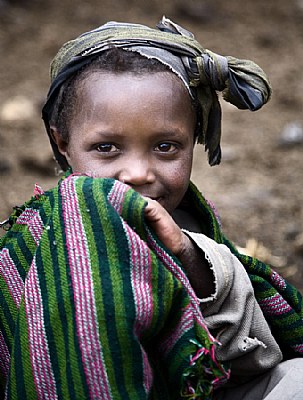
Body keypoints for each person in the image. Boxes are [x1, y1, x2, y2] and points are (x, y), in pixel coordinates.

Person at [0, 17, 303, 400]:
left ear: (193, 141)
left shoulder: (195, 230)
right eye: (107, 147)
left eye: (165, 147)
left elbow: (253, 360)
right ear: (62, 144)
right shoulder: (35, 244)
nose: (139, 174)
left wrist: (192, 258)